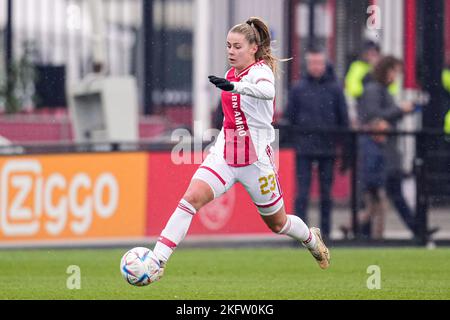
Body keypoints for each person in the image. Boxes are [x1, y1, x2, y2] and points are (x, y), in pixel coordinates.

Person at [151, 17, 330, 282]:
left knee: (278, 224)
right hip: (224, 154)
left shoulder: (261, 72)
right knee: (191, 198)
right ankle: (157, 260)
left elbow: (266, 93)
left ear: (253, 48)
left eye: (237, 46)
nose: (231, 51)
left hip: (256, 162)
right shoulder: (229, 74)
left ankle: (311, 239)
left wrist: (236, 87)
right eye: (228, 46)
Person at [286, 47, 349, 239]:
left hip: (327, 148)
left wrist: (344, 147)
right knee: (302, 193)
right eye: (312, 63)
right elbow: (290, 117)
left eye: (319, 63)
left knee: (325, 194)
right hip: (304, 148)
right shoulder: (298, 88)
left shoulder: (335, 89)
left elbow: (343, 119)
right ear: (307, 64)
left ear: (325, 63)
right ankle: (300, 234)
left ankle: (326, 233)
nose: (316, 67)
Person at [356, 56, 416, 239]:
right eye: (394, 72)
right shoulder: (374, 89)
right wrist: (400, 110)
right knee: (377, 199)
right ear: (386, 70)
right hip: (378, 153)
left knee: (378, 199)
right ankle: (360, 232)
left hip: (382, 153)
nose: (396, 77)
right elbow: (375, 117)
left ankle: (362, 233)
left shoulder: (379, 90)